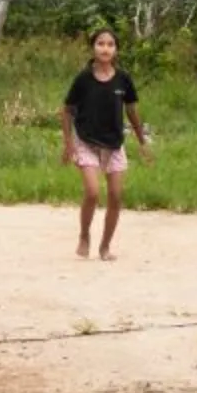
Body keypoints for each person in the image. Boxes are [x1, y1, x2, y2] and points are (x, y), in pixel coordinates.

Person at [60, 28, 150, 260]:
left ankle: (105, 246)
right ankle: (84, 235)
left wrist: (142, 142)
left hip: (114, 144)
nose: (105, 48)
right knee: (92, 192)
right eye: (101, 43)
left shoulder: (123, 79)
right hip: (86, 141)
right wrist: (68, 144)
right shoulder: (83, 78)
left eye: (110, 44)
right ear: (93, 47)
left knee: (116, 196)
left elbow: (132, 112)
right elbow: (67, 110)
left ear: (116, 50)